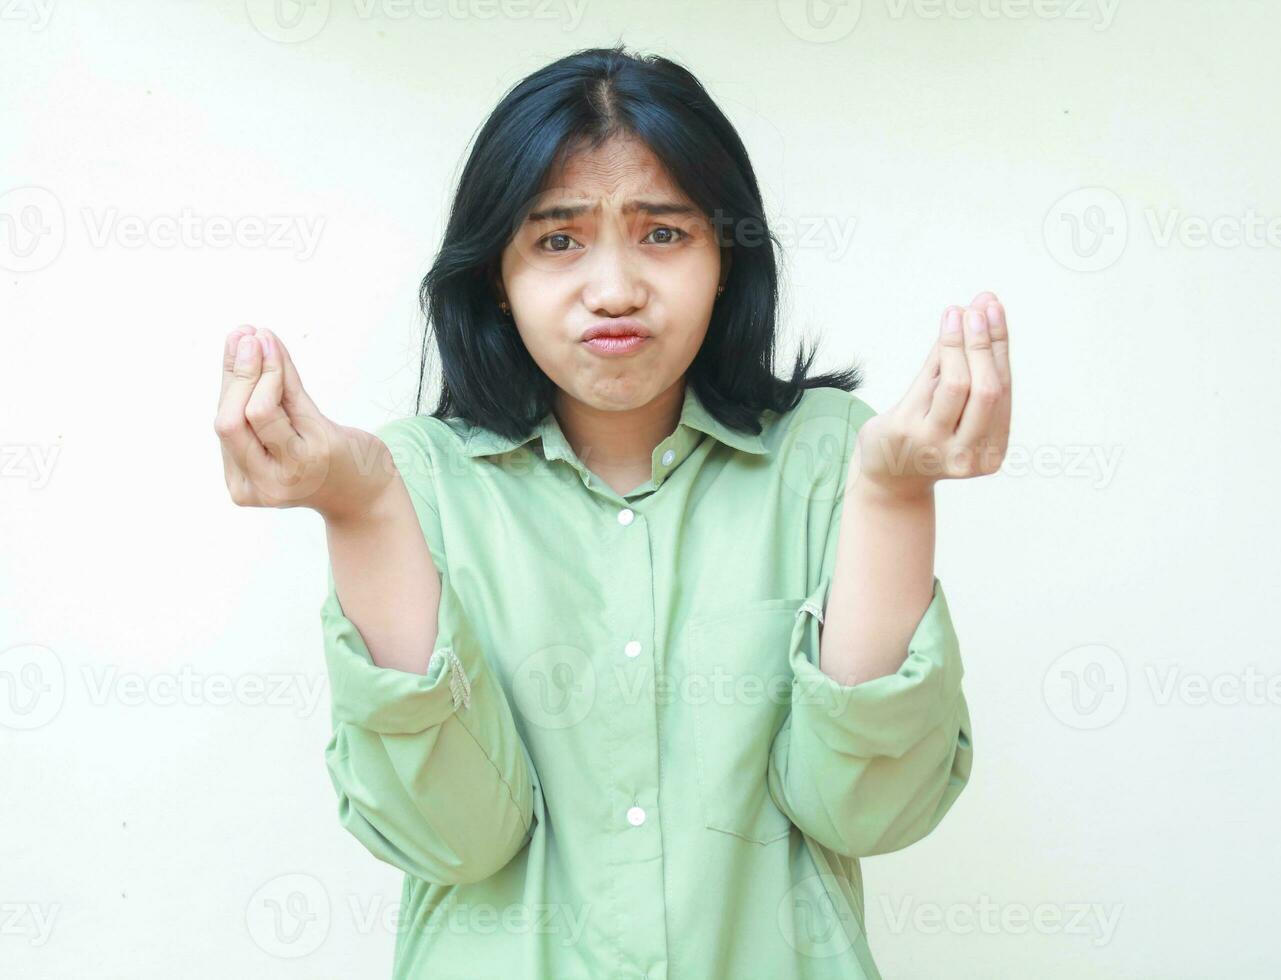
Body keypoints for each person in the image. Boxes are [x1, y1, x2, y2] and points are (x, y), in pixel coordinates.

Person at [214, 44, 1010, 980]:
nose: (615, 289)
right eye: (557, 240)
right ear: (495, 281)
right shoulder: (411, 478)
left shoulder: (834, 460)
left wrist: (893, 494)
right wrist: (360, 511)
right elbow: (456, 838)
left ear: (727, 259)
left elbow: (868, 810)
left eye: (663, 233)